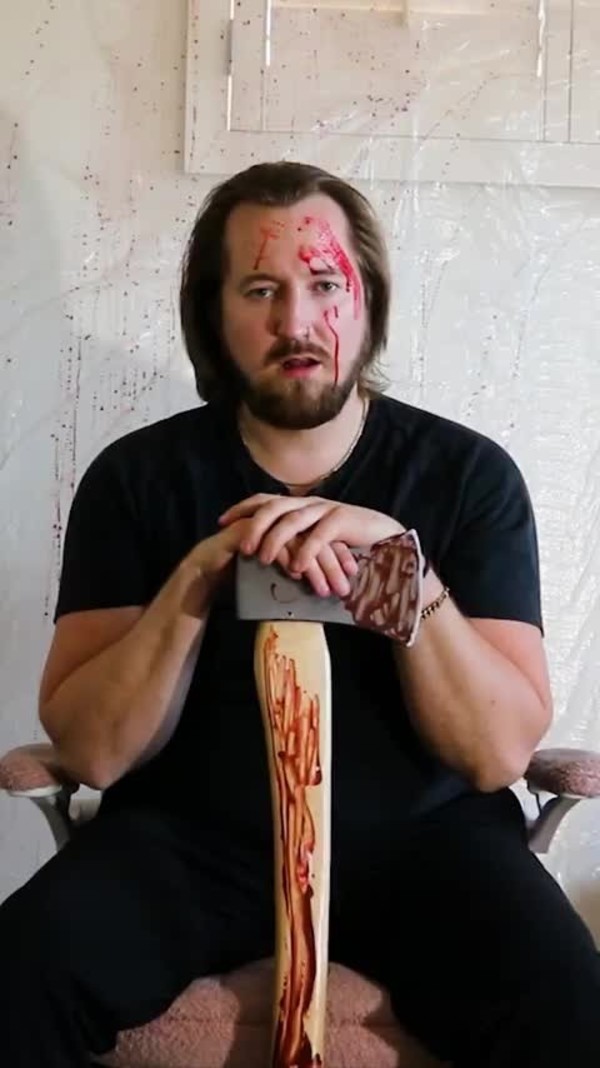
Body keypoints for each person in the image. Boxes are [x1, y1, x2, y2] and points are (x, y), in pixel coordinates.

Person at [1, 160, 599, 1068]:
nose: (296, 322)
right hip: (189, 841)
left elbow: (495, 754)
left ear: (368, 302)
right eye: (260, 290)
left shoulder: (466, 476)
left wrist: (398, 569)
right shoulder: (138, 478)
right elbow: (92, 752)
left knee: (570, 1004)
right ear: (213, 313)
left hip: (427, 846)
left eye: (325, 284)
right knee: (14, 978)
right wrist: (202, 573)